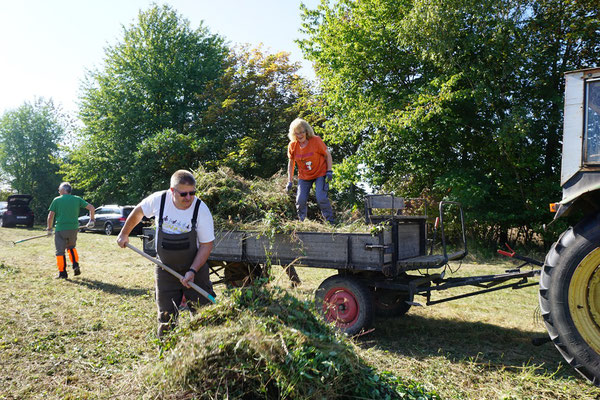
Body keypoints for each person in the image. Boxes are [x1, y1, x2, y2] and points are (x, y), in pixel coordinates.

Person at [116, 169, 215, 338]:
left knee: (203, 314)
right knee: (166, 317)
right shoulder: (159, 200)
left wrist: (192, 271)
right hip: (165, 269)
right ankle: (167, 352)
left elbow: (207, 245)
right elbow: (138, 212)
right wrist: (124, 233)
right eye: (184, 194)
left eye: (192, 193)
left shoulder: (200, 209)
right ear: (172, 191)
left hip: (195, 269)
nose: (189, 198)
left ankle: (203, 349)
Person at [286, 118, 335, 224]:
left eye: (302, 132)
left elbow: (328, 155)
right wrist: (289, 181)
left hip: (320, 173)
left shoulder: (316, 141)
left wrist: (329, 171)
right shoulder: (292, 146)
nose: (300, 135)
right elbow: (291, 164)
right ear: (294, 134)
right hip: (304, 176)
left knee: (321, 197)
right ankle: (302, 222)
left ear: (307, 131)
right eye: (297, 133)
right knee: (300, 199)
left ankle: (330, 221)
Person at [47, 182, 96, 279]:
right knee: (71, 247)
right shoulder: (77, 199)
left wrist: (49, 228)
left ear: (63, 190)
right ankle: (75, 264)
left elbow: (50, 216)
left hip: (61, 229)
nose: (58, 191)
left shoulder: (57, 200)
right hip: (73, 229)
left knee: (60, 252)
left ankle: (62, 273)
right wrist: (92, 220)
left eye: (59, 189)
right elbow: (92, 208)